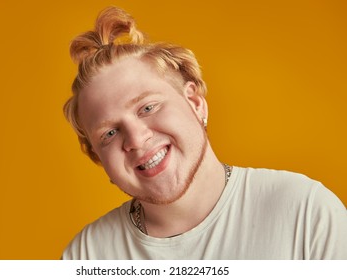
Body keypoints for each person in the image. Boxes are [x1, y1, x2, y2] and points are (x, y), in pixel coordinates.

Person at [61, 7, 347, 259]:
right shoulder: (88, 254)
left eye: (147, 107)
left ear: (195, 103)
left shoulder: (305, 211)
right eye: (110, 133)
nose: (136, 139)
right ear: (98, 158)